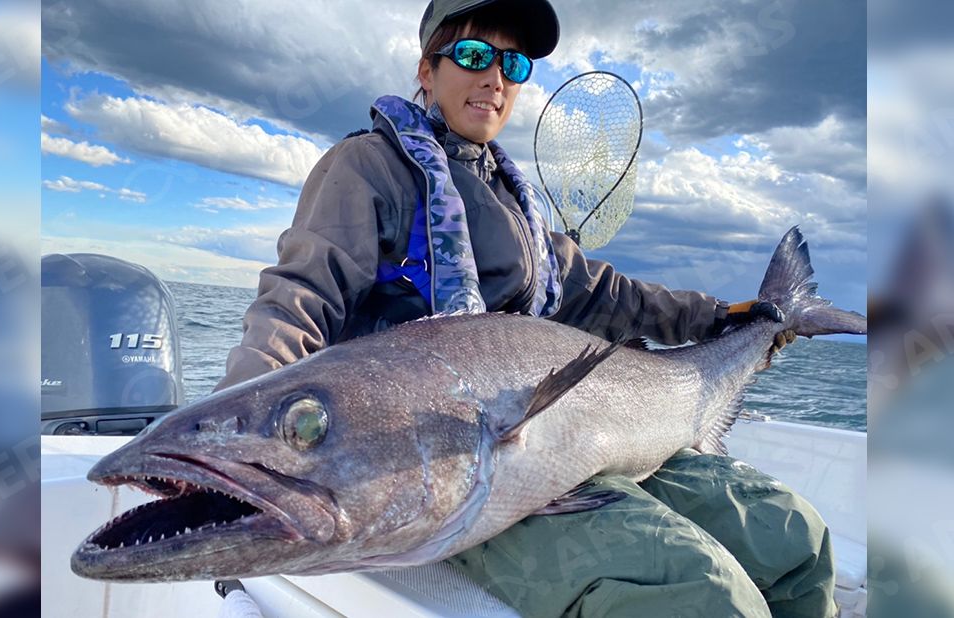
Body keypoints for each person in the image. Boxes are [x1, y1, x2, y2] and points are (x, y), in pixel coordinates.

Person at [216, 0, 834, 616]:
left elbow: (608, 295)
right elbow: (297, 297)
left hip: (564, 434)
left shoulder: (520, 207)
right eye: (473, 54)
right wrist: (240, 443)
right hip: (445, 466)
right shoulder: (369, 168)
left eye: (512, 63)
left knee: (792, 540)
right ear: (427, 71)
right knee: (695, 590)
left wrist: (727, 317)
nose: (495, 77)